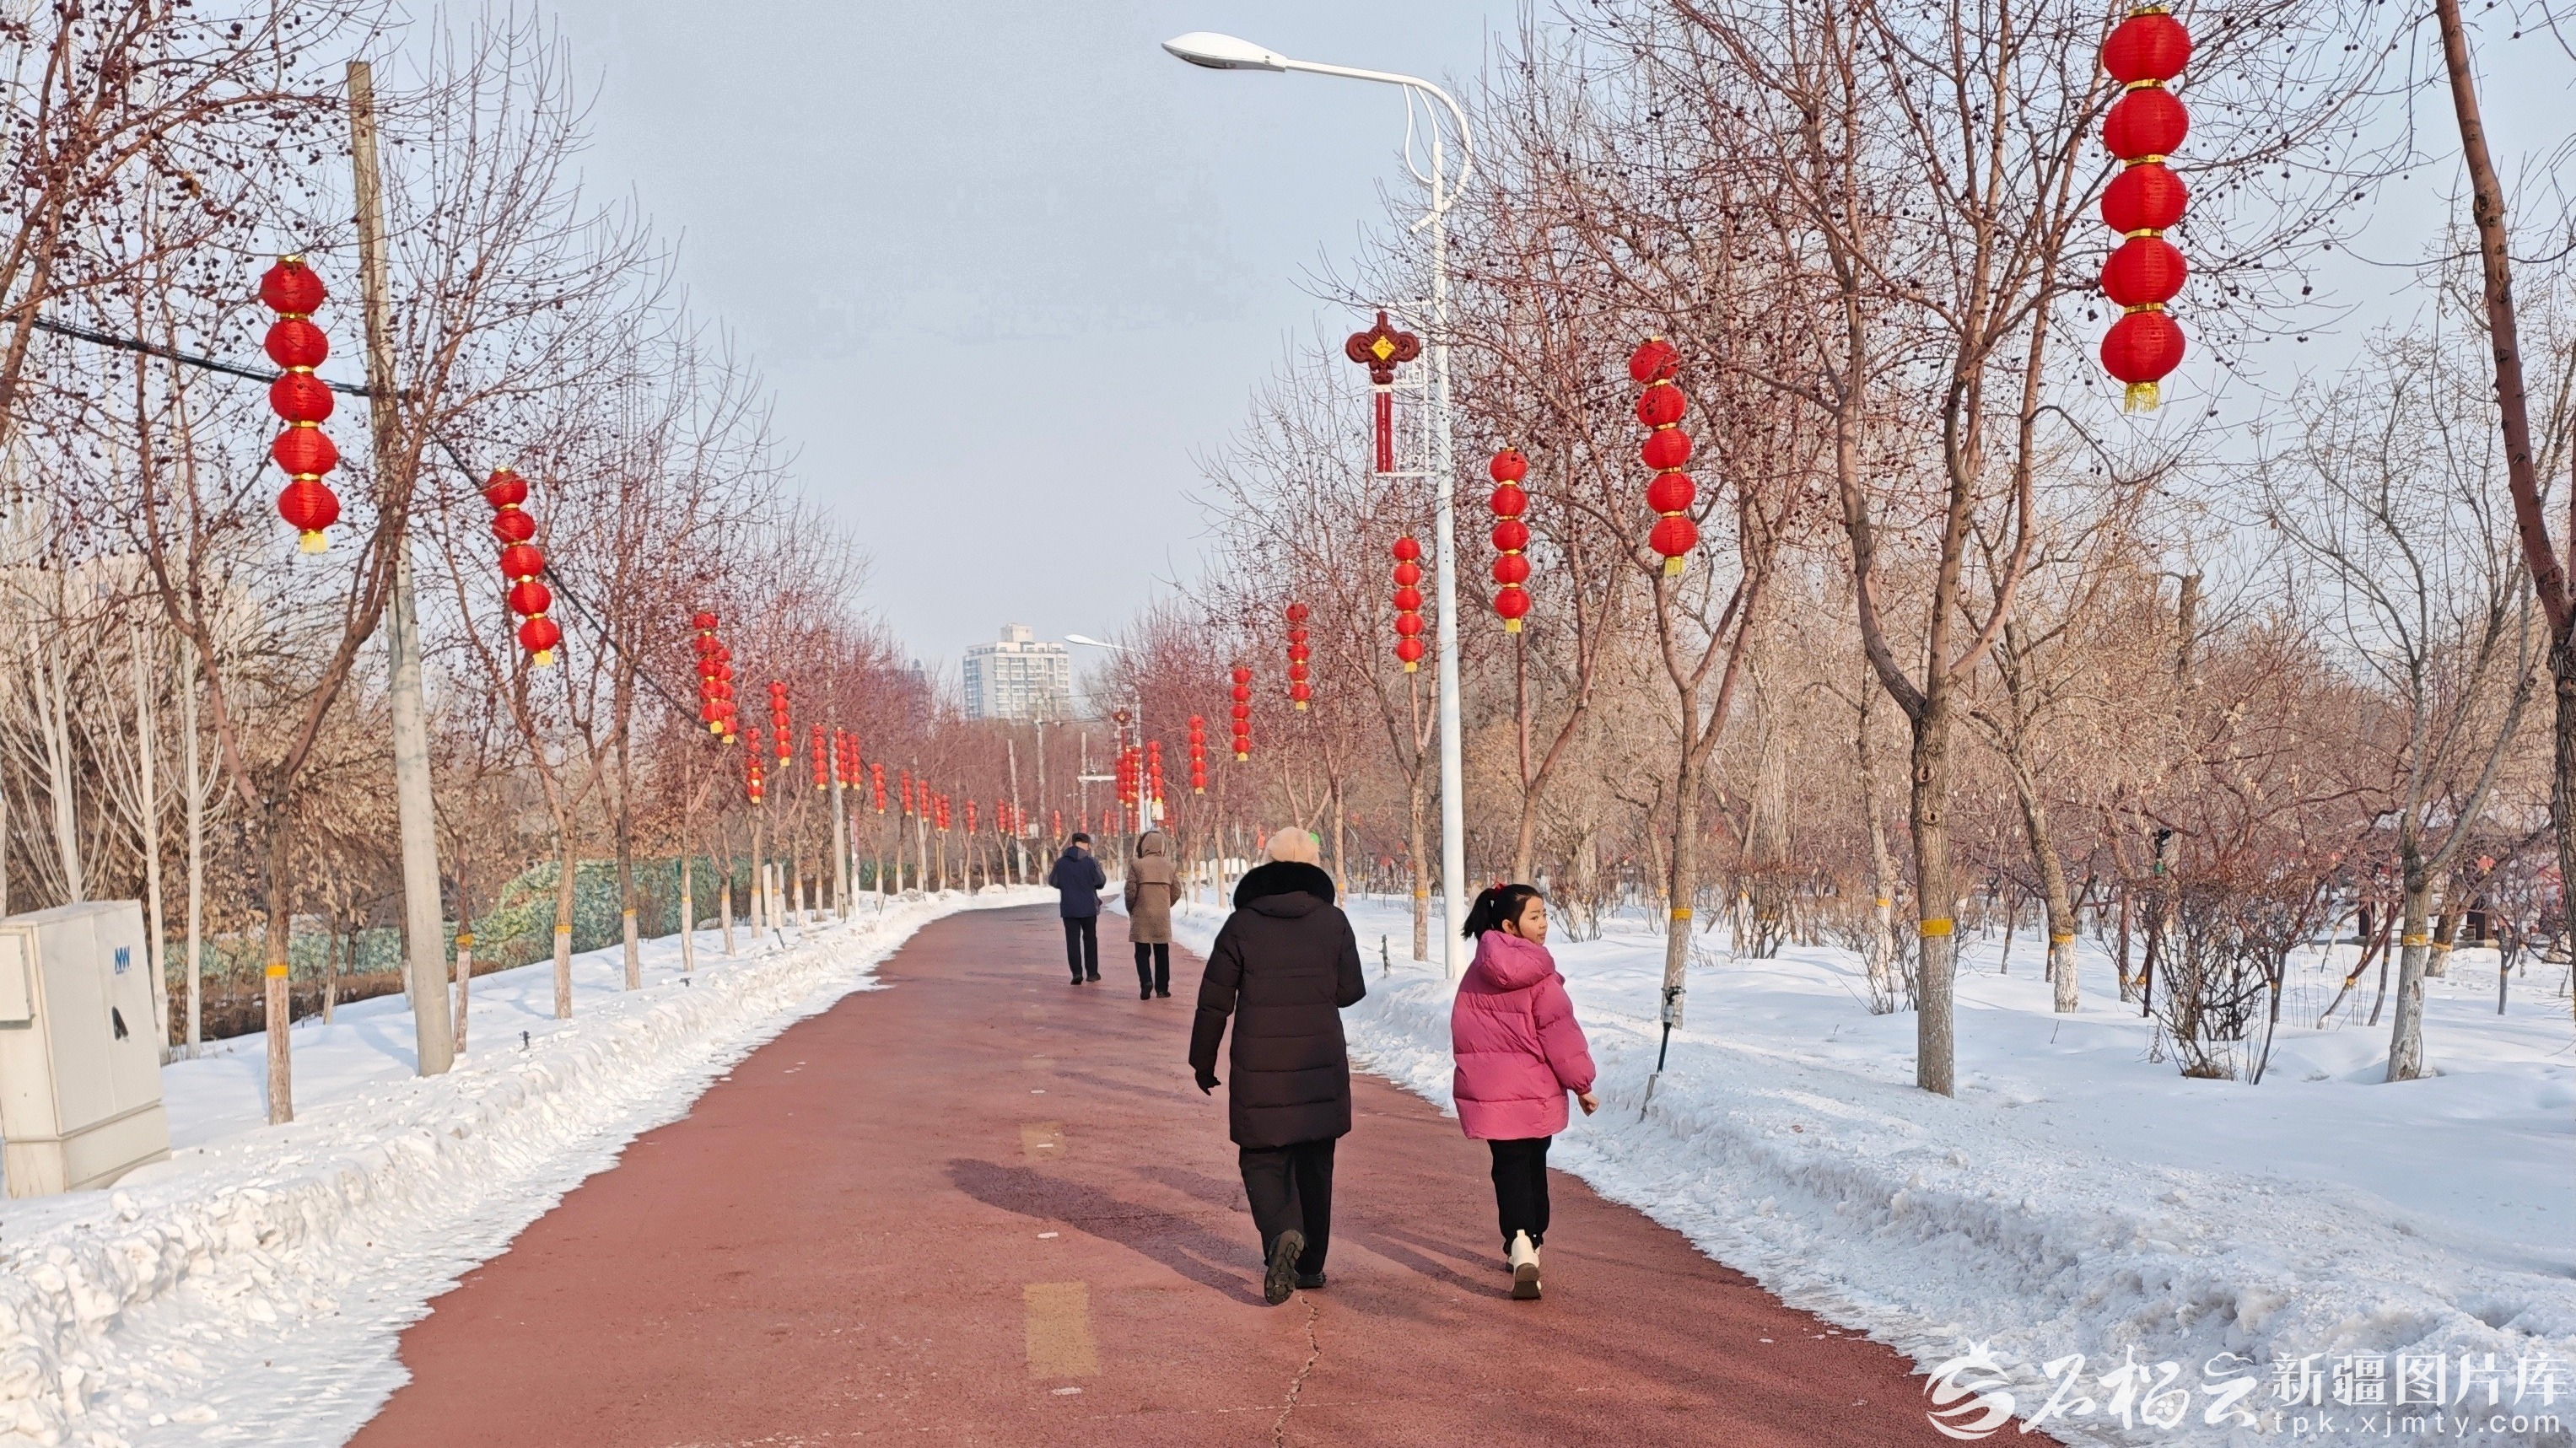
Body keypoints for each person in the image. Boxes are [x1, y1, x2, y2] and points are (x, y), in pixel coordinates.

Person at [1188, 826, 1365, 1305]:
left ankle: (1281, 1232)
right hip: (1318, 1064)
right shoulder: (1333, 921)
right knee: (1315, 1165)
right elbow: (1350, 991)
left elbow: (1214, 1001)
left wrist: (1202, 1061)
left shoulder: (1242, 924)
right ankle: (1310, 1267)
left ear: (1267, 863)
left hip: (1259, 1066)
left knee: (1262, 1159)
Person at [1452, 882, 1596, 1301]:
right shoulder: (1541, 976)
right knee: (1534, 1165)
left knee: (1507, 1166)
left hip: (1493, 1094)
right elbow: (1560, 1035)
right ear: (1509, 925)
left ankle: (1517, 1241)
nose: (1544, 924)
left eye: (1545, 915)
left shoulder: (1475, 975)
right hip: (1535, 1092)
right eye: (1535, 916)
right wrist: (1582, 1085)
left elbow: (1465, 1031)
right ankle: (1533, 1241)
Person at [1124, 829, 1183, 999]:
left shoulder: (1137, 865)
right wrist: (1166, 904)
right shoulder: (1170, 866)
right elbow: (1177, 891)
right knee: (1162, 951)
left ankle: (1146, 981)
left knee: (1141, 952)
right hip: (1161, 915)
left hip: (1141, 912)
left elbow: (1130, 891)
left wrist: (1131, 908)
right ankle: (1162, 989)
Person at [1047, 833, 1107, 984]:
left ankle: (1076, 973)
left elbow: (1053, 881)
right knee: (1090, 940)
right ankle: (1092, 973)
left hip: (1069, 908)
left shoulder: (1060, 863)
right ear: (1085, 844)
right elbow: (1100, 881)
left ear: (1073, 843)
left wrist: (1068, 886)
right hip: (1088, 907)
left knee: (1072, 941)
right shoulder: (1091, 862)